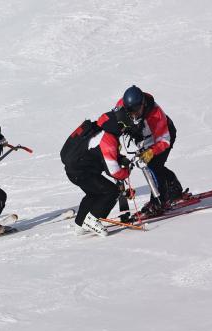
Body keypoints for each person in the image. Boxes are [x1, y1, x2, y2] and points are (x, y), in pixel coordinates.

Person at [64, 109, 132, 236]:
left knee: (93, 193)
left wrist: (120, 158)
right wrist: (126, 171)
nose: (124, 132)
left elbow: (100, 153)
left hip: (75, 169)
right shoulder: (108, 138)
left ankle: (80, 224)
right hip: (82, 172)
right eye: (124, 128)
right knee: (111, 191)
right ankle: (93, 220)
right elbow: (113, 171)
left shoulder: (101, 127)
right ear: (120, 125)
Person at [116, 85, 184, 215]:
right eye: (130, 110)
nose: (133, 114)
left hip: (163, 136)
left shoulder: (156, 115)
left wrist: (152, 151)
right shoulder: (122, 106)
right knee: (150, 164)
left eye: (136, 110)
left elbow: (165, 140)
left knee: (154, 165)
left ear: (143, 104)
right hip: (144, 137)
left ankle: (160, 201)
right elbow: (115, 124)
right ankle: (174, 187)